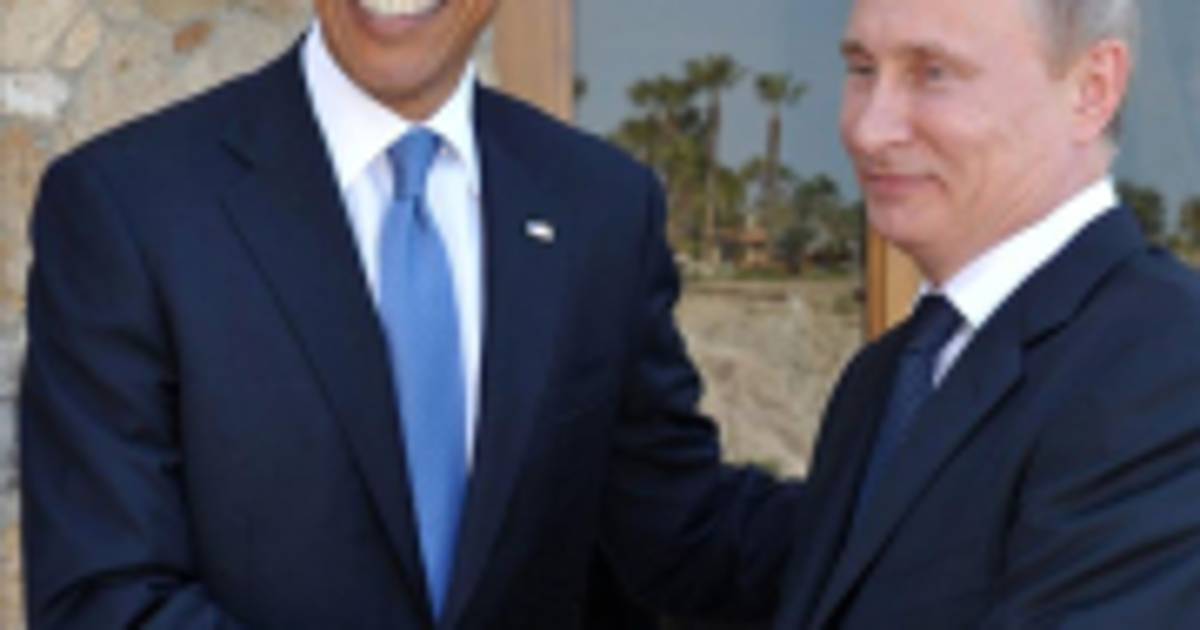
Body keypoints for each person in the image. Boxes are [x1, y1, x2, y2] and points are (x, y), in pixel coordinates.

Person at [19, 1, 802, 628]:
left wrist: (877, 506)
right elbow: (105, 596)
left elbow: (677, 531)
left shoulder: (600, 206)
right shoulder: (131, 207)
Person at [772, 0, 1200, 627]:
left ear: (1092, 90)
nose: (869, 129)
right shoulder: (886, 374)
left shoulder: (1170, 367)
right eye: (862, 69)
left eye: (932, 73)